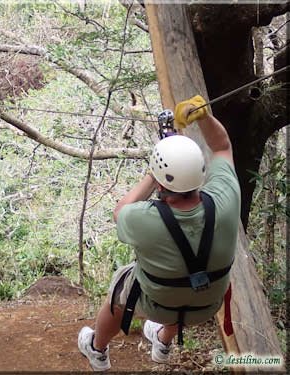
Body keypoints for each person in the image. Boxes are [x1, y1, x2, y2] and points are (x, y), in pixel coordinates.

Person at [78, 95, 241, 371]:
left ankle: (97, 348)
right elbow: (222, 146)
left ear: (161, 183)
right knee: (188, 277)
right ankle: (163, 342)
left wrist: (154, 174)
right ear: (201, 172)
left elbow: (120, 211)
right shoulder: (227, 199)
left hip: (158, 304)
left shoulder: (144, 220)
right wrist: (203, 116)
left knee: (122, 282)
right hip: (207, 304)